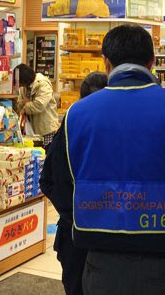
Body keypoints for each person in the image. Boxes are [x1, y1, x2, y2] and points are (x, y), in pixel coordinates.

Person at [42, 25, 165, 295]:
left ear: (106, 62)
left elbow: (52, 181)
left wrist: (94, 213)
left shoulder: (76, 115)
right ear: (151, 62)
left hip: (100, 267)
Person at [41, 71, 108, 295]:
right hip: (107, 233)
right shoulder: (118, 129)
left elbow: (48, 179)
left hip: (75, 233)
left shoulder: (72, 124)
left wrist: (74, 214)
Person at [13, 63, 59, 149]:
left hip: (45, 129)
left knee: (46, 153)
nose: (19, 85)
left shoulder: (43, 84)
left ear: (24, 79)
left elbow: (39, 105)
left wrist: (25, 106)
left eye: (19, 82)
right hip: (31, 130)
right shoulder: (24, 87)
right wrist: (24, 103)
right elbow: (19, 104)